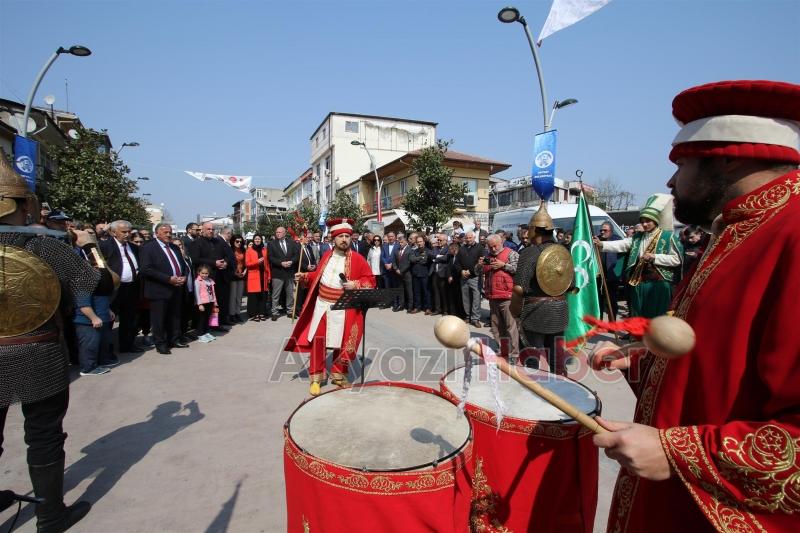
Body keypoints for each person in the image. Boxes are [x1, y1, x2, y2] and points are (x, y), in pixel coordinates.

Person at [592, 79, 800, 533]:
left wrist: (678, 453)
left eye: (681, 164)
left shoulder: (792, 233)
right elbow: (723, 362)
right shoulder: (740, 230)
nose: (670, 181)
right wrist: (642, 362)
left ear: (728, 157)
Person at [0, 153, 115, 531]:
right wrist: (90, 246)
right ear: (24, 204)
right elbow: (104, 283)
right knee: (44, 435)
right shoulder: (44, 247)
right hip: (37, 349)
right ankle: (50, 516)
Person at [285, 218, 375, 395]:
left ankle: (339, 375)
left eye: (347, 236)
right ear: (333, 238)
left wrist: (355, 284)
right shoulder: (326, 256)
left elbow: (370, 280)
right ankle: (316, 378)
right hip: (323, 306)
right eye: (340, 236)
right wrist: (305, 276)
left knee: (343, 342)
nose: (344, 240)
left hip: (345, 307)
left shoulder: (358, 259)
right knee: (319, 341)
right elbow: (317, 276)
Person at [594, 194, 682, 318]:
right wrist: (602, 244)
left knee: (657, 317)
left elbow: (677, 259)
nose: (644, 224)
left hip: (659, 285)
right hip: (639, 283)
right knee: (639, 316)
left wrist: (655, 257)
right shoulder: (637, 237)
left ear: (655, 221)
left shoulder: (667, 237)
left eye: (648, 221)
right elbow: (622, 244)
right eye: (642, 221)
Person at [513, 202, 571, 374]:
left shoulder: (529, 253)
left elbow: (519, 288)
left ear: (534, 229)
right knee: (556, 356)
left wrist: (514, 311)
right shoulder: (563, 252)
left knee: (530, 357)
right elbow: (571, 285)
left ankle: (532, 385)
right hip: (558, 310)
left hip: (534, 311)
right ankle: (560, 384)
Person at [139, 223, 189, 355]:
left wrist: (184, 276)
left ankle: (174, 339)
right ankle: (160, 343)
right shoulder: (148, 248)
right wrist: (167, 279)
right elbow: (146, 269)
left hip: (176, 287)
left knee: (175, 315)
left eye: (170, 232)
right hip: (159, 289)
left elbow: (182, 265)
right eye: (165, 232)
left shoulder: (174, 247)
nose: (169, 234)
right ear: (157, 233)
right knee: (159, 319)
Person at [100, 219, 142, 353]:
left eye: (129, 232)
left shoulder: (133, 247)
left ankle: (127, 345)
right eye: (123, 232)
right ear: (113, 232)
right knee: (109, 318)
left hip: (131, 287)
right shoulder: (105, 246)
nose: (127, 234)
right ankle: (106, 349)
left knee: (129, 318)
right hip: (114, 288)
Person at [482, 234, 520, 362]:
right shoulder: (488, 256)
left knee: (511, 326)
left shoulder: (511, 254)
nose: (493, 249)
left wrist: (503, 265)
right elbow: (479, 272)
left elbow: (518, 269)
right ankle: (503, 350)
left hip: (507, 296)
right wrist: (480, 264)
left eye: (495, 246)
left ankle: (514, 354)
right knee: (497, 326)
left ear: (501, 242)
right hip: (493, 296)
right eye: (490, 247)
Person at [188, 222, 231, 332]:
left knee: (217, 302)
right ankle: (202, 327)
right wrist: (214, 263)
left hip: (219, 277)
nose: (211, 231)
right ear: (202, 230)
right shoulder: (196, 243)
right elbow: (195, 259)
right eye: (208, 229)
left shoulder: (218, 242)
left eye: (212, 229)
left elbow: (227, 255)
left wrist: (225, 262)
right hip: (204, 279)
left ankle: (215, 324)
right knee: (205, 304)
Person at [267, 226, 299, 321]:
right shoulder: (271, 244)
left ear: (285, 233)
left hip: (289, 273)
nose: (278, 234)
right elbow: (270, 257)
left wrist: (291, 262)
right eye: (277, 232)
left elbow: (296, 255)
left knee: (290, 294)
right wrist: (281, 263)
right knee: (276, 295)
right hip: (278, 273)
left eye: (280, 232)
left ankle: (290, 311)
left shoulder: (291, 242)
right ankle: (274, 312)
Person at [454, 231, 484, 327]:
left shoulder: (480, 248)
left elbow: (481, 263)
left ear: (474, 238)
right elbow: (457, 262)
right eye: (467, 238)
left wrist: (470, 271)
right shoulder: (462, 248)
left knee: (476, 298)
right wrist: (461, 271)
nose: (468, 239)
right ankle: (468, 316)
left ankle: (475, 319)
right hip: (464, 277)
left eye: (470, 237)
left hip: (475, 277)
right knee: (465, 298)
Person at [596, 221, 622, 320]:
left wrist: (618, 273)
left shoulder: (617, 240)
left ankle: (612, 322)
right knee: (599, 301)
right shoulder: (597, 240)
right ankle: (599, 321)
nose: (602, 232)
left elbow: (621, 259)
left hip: (612, 276)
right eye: (601, 230)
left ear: (611, 231)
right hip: (599, 276)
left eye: (605, 230)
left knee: (612, 301)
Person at [245, 234, 271, 321]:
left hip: (263, 276)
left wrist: (269, 276)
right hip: (254, 276)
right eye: (256, 239)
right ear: (253, 240)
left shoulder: (264, 250)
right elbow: (247, 264)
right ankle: (254, 314)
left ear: (261, 240)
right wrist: (257, 262)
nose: (257, 240)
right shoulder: (249, 250)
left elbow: (267, 264)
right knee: (254, 297)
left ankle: (262, 313)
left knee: (263, 296)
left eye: (259, 239)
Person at [409, 234, 433, 314]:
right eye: (418, 242)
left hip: (425, 274)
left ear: (424, 242)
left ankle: (428, 308)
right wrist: (420, 258)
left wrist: (418, 259)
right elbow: (412, 259)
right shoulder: (414, 251)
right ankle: (417, 307)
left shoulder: (428, 251)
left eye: (421, 241)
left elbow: (424, 261)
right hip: (416, 274)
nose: (419, 243)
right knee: (417, 292)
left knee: (426, 292)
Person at [194, 264, 217, 343]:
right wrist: (199, 304)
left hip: (210, 302)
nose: (204, 275)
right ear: (198, 272)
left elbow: (213, 292)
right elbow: (197, 293)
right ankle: (200, 335)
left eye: (206, 273)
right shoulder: (197, 281)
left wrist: (215, 302)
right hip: (202, 304)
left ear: (209, 273)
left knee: (208, 318)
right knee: (201, 319)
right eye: (202, 273)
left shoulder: (210, 281)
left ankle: (206, 332)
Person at [392, 233, 413, 312]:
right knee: (401, 290)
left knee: (409, 290)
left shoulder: (410, 249)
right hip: (398, 274)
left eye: (402, 242)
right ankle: (401, 305)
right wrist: (396, 269)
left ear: (406, 242)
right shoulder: (396, 250)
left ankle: (410, 306)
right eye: (399, 242)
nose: (400, 244)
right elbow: (393, 261)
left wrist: (402, 271)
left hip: (407, 273)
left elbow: (409, 262)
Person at [229, 234, 247, 323]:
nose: (239, 243)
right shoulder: (230, 250)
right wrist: (235, 273)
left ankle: (238, 313)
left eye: (240, 241)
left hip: (242, 275)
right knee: (233, 296)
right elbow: (228, 263)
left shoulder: (243, 250)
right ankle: (232, 314)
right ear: (233, 241)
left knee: (239, 296)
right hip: (233, 275)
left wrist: (245, 272)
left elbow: (246, 263)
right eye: (237, 241)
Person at [380, 231, 400, 310]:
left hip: (394, 270)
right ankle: (387, 302)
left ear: (395, 237)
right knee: (387, 287)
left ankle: (395, 303)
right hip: (386, 270)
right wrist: (385, 264)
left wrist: (391, 264)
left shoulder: (398, 245)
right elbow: (382, 256)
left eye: (392, 236)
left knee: (394, 287)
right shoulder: (384, 246)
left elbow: (399, 257)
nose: (390, 238)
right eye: (389, 236)